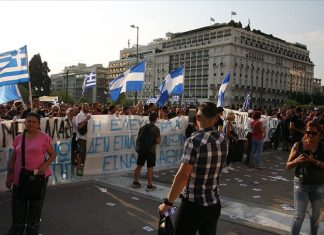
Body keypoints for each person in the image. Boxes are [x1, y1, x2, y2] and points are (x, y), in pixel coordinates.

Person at [158, 102, 228, 235]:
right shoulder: (224, 139)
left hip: (193, 205)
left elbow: (183, 176)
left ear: (197, 117)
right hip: (214, 203)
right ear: (216, 118)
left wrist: (168, 203)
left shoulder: (194, 141)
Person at [5, 112, 57, 235]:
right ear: (25, 123)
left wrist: (44, 166)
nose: (31, 124)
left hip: (38, 179)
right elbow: (13, 159)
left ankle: (32, 231)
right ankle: (17, 230)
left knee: (35, 208)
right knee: (18, 208)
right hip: (19, 178)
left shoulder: (44, 137)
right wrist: (9, 177)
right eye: (28, 121)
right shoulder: (19, 137)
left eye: (34, 122)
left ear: (39, 124)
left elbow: (53, 154)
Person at [286, 121, 324, 235]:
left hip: (318, 185)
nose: (310, 135)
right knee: (299, 216)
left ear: (320, 134)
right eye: (308, 132)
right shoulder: (298, 145)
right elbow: (288, 165)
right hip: (301, 184)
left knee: (315, 215)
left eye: (314, 133)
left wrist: (314, 161)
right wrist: (297, 160)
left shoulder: (322, 146)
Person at [132, 112, 161, 191]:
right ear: (156, 119)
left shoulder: (143, 127)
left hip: (142, 149)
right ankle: (149, 185)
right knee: (150, 168)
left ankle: (135, 182)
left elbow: (138, 138)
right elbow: (158, 141)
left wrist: (139, 146)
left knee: (139, 165)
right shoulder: (156, 129)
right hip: (150, 150)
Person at [76, 103, 91, 176]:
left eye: (88, 106)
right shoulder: (80, 115)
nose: (87, 108)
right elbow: (79, 126)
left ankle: (85, 169)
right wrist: (86, 120)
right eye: (85, 107)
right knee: (80, 154)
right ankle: (78, 170)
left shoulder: (90, 115)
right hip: (81, 138)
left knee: (86, 155)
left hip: (88, 138)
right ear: (82, 108)